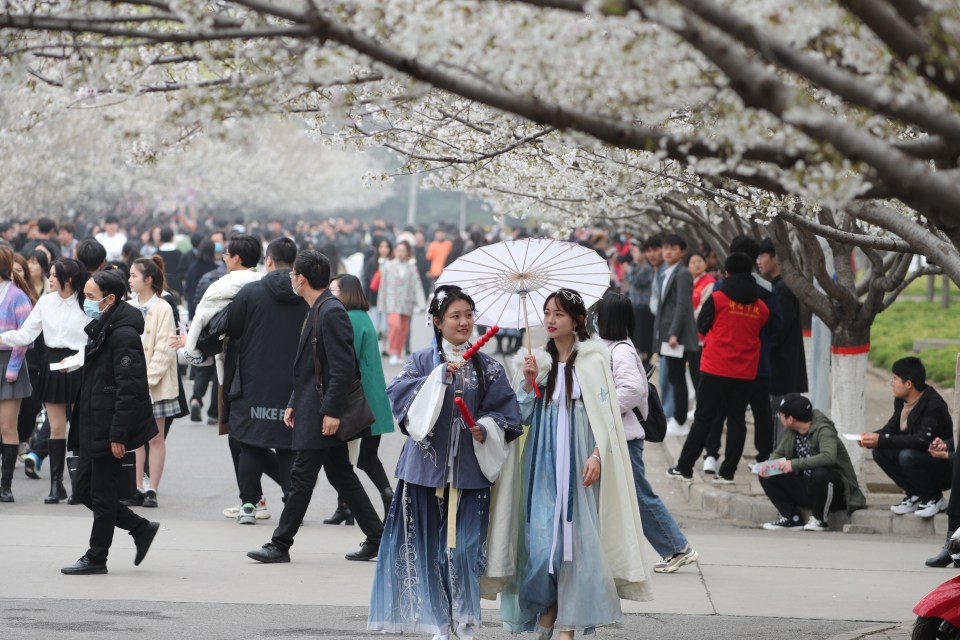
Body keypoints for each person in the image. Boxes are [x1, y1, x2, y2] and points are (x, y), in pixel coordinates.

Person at [368, 284, 522, 639]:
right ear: (437, 322)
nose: (465, 322)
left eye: (469, 315)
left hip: (470, 475)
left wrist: (485, 427)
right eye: (455, 316)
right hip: (423, 472)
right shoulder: (422, 361)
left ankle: (465, 621)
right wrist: (437, 379)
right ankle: (439, 623)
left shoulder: (488, 367)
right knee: (429, 554)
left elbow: (508, 415)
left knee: (465, 550)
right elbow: (400, 401)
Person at [499, 288, 651, 640]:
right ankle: (547, 612)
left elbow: (608, 418)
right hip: (542, 464)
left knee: (574, 543)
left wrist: (598, 456)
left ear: (578, 320)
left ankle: (564, 622)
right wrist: (526, 381)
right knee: (540, 545)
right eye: (547, 313)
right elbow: (519, 417)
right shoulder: (537, 360)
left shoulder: (595, 359)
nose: (550, 320)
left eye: (559, 314)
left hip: (581, 460)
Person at [246, 250, 383, 564]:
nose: (291, 279)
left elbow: (342, 367)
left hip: (323, 412)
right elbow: (311, 366)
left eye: (293, 274)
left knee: (302, 477)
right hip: (313, 406)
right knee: (341, 475)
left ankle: (280, 544)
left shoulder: (330, 311)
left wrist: (332, 411)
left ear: (301, 279)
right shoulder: (319, 307)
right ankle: (378, 537)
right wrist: (295, 401)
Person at [61, 268, 159, 575]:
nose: (86, 302)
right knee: (86, 490)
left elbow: (129, 390)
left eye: (90, 297)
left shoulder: (124, 334)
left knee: (101, 494)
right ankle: (140, 527)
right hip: (95, 422)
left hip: (109, 426)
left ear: (110, 299)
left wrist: (118, 434)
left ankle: (97, 556)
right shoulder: (105, 326)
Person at [596, 293, 698, 573]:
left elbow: (632, 390)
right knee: (624, 497)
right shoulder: (612, 347)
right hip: (618, 436)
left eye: (599, 315)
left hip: (625, 438)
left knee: (639, 496)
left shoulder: (621, 351)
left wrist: (602, 408)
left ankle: (677, 547)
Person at [667, 253, 773, 483]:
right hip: (745, 372)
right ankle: (728, 472)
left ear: (726, 273)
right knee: (737, 421)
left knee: (704, 417)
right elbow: (764, 331)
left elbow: (702, 327)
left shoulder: (718, 299)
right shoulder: (761, 307)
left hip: (715, 367)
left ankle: (684, 467)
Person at [222, 237, 306, 524]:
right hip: (292, 384)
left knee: (250, 442)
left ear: (268, 261)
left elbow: (231, 327)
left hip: (254, 379)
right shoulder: (306, 296)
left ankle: (248, 505)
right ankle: (292, 503)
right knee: (286, 445)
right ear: (294, 264)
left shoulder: (250, 293)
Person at [0, 258, 89, 504]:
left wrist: (76, 361)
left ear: (68, 279)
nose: (49, 279)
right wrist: (3, 337)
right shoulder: (45, 302)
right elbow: (27, 333)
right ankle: (56, 485)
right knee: (56, 426)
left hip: (78, 364)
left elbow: (92, 340)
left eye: (53, 275)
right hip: (53, 363)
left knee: (81, 427)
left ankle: (81, 485)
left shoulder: (85, 303)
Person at [325, 274, 395, 522]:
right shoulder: (362, 316)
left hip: (359, 400)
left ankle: (388, 500)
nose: (329, 294)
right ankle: (346, 507)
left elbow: (343, 360)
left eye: (333, 290)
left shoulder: (349, 318)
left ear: (347, 292)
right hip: (372, 398)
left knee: (350, 459)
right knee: (360, 457)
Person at [859, 357, 953, 518]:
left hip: (943, 464)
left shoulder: (933, 405)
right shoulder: (902, 400)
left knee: (906, 455)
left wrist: (881, 439)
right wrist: (872, 438)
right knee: (879, 451)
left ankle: (934, 497)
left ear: (908, 384)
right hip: (919, 458)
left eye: (895, 379)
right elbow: (892, 428)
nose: (892, 383)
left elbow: (921, 441)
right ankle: (916, 495)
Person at [759, 394, 866, 531]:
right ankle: (792, 518)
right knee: (768, 473)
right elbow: (779, 453)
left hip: (835, 494)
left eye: (781, 414)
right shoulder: (792, 430)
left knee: (820, 473)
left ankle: (820, 519)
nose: (779, 416)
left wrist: (794, 464)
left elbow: (829, 457)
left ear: (790, 419)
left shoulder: (823, 429)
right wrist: (768, 466)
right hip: (809, 487)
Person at [125, 256, 180, 508]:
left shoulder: (163, 307)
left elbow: (165, 348)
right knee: (135, 438)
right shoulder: (127, 305)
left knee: (156, 438)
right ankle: (135, 486)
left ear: (148, 279)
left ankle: (152, 489)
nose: (130, 280)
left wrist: (147, 380)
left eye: (134, 276)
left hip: (155, 385)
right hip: (132, 382)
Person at [756, 238, 808, 447]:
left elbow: (780, 327)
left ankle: (777, 458)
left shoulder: (783, 288)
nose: (759, 261)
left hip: (781, 363)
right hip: (780, 361)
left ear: (775, 258)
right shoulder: (777, 286)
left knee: (780, 413)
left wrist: (763, 348)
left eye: (762, 256)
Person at [653, 234, 698, 437]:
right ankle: (677, 418)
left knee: (677, 376)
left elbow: (682, 306)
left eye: (673, 248)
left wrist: (673, 333)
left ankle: (679, 421)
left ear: (682, 251)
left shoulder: (682, 273)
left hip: (675, 337)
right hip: (668, 334)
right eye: (665, 247)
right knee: (674, 375)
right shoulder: (667, 272)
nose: (668, 251)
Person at [0, 247, 35, 503]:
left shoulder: (17, 296)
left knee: (7, 426)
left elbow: (25, 338)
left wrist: (12, 369)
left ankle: (6, 485)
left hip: (9, 362)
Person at [379, 240, 426, 366]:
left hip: (407, 302)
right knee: (395, 326)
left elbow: (417, 285)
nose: (400, 253)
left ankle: (399, 353)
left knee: (404, 329)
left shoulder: (411, 267)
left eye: (403, 251)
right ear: (394, 252)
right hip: (392, 302)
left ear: (407, 252)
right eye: (398, 250)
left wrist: (422, 304)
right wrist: (381, 304)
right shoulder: (388, 266)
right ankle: (393, 352)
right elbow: (382, 286)